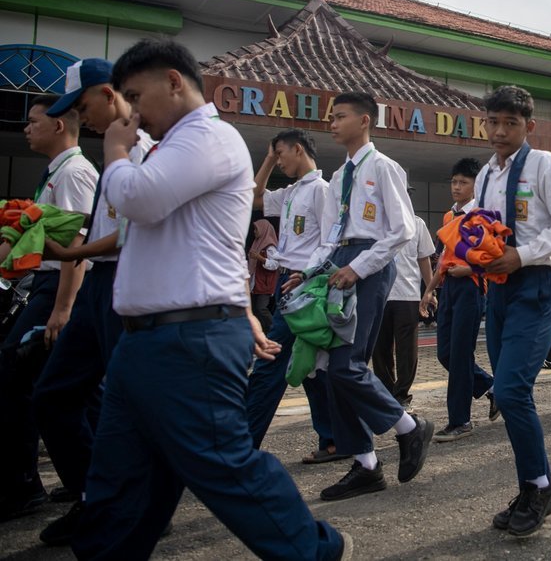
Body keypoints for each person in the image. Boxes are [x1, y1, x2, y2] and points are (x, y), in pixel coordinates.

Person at [71, 39, 346, 560]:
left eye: (136, 94)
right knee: (121, 477)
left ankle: (316, 551)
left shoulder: (209, 137)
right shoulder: (173, 147)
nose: (130, 110)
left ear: (174, 82)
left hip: (187, 336)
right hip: (147, 337)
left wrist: (114, 151)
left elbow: (139, 199)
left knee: (224, 465)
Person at [28, 59, 154, 545]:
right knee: (55, 394)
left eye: (83, 107)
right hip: (97, 285)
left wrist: (71, 253)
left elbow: (129, 233)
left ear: (107, 94)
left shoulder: (140, 152)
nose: (85, 119)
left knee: (127, 404)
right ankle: (93, 497)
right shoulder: (113, 151)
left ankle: (133, 502)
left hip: (122, 283)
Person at [286, 91, 432, 502]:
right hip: (341, 262)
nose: (332, 123)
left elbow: (402, 230)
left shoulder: (384, 168)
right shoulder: (338, 178)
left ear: (365, 120)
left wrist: (360, 267)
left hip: (370, 263)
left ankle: (408, 426)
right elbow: (330, 235)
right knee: (333, 368)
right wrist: (308, 272)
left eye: (340, 116)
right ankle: (366, 464)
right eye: (331, 117)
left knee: (347, 363)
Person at [476, 85, 551, 537]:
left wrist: (524, 255)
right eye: (493, 122)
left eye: (510, 123)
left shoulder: (543, 163)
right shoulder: (484, 175)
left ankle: (540, 487)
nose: (500, 131)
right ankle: (529, 484)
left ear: (529, 127)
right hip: (497, 290)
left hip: (536, 287)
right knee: (507, 391)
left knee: (514, 391)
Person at [0, 93, 97, 522]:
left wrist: (62, 309)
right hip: (48, 284)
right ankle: (88, 483)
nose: (26, 127)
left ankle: (32, 484)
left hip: (59, 287)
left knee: (19, 374)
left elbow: (77, 247)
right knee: (72, 390)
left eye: (34, 120)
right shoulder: (56, 172)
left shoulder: (75, 173)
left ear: (60, 125)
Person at [246, 129, 338, 464]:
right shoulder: (290, 193)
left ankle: (242, 443)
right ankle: (334, 438)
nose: (280, 160)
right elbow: (254, 197)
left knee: (270, 363)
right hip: (286, 282)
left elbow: (332, 240)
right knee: (312, 367)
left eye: (282, 154)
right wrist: (268, 158)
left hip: (305, 286)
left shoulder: (321, 191)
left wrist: (311, 276)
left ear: (298, 149)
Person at [420, 157, 497, 442]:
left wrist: (472, 269)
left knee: (460, 355)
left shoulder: (483, 215)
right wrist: (430, 290)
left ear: (475, 185)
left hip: (471, 288)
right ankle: (491, 388)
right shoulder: (449, 217)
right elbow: (443, 260)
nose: (456, 187)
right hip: (449, 287)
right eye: (454, 181)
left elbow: (493, 256)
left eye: (463, 182)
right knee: (445, 354)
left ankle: (460, 420)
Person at [372, 214, 434, 406]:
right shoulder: (374, 222)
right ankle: (387, 393)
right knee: (379, 348)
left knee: (407, 349)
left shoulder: (417, 223)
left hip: (407, 295)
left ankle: (402, 395)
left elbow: (424, 259)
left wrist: (429, 290)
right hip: (379, 295)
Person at [248, 219, 279, 332]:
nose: (255, 232)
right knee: (255, 310)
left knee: (261, 308)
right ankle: (264, 331)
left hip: (265, 283)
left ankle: (274, 328)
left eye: (256, 229)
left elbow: (275, 264)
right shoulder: (257, 244)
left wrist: (260, 258)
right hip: (256, 283)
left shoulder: (270, 247)